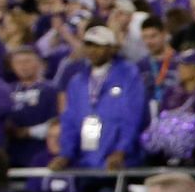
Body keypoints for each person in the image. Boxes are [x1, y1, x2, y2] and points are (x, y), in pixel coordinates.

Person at [51, 25, 145, 173]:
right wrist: (66, 153)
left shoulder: (128, 75)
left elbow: (132, 117)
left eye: (98, 46)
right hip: (85, 159)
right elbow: (69, 120)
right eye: (88, 45)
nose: (92, 50)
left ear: (112, 48)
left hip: (117, 161)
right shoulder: (78, 81)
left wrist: (121, 150)